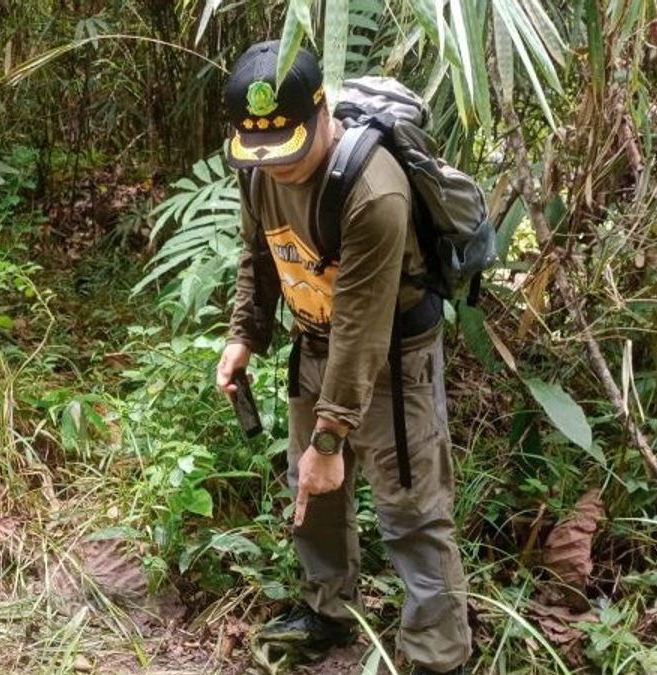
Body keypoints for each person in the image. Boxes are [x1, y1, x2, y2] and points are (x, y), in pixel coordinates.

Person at [214, 41, 472, 674]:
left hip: (392, 355)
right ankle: (329, 612)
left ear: (322, 114)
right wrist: (244, 334)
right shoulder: (259, 168)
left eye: (290, 150)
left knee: (412, 510)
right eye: (262, 156)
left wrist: (330, 440)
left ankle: (439, 656)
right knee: (314, 497)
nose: (276, 168)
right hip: (314, 340)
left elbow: (362, 325)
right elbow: (260, 253)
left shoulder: (374, 191)